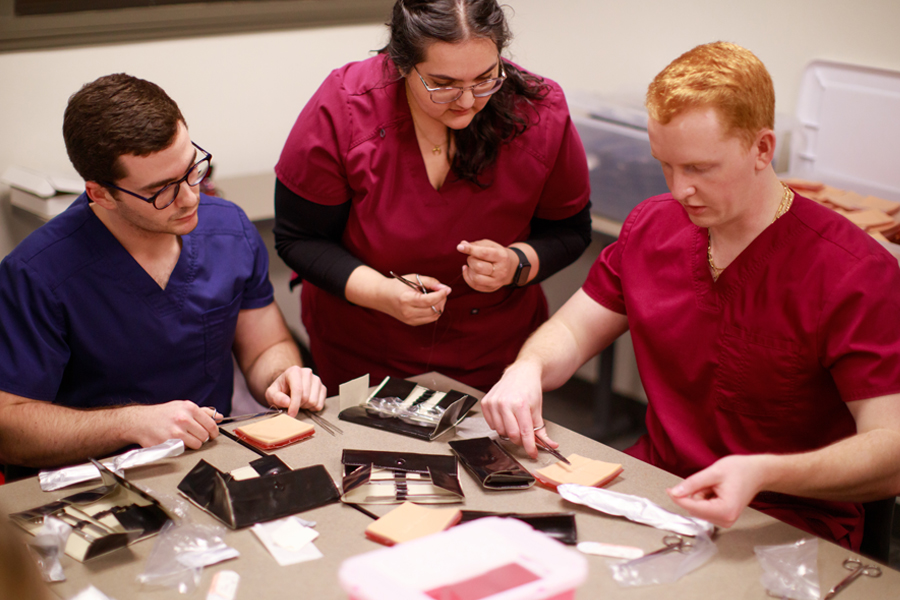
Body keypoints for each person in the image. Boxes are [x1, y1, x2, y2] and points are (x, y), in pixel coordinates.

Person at [481, 42, 900, 551]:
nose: (680, 190)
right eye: (666, 166)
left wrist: (764, 473)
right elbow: (571, 330)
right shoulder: (654, 225)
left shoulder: (852, 273)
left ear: (762, 150)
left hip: (787, 520)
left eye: (700, 168)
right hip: (655, 488)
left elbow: (891, 452)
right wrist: (527, 369)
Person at [0, 74, 325, 476]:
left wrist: (282, 376)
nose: (190, 198)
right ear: (101, 194)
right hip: (92, 484)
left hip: (211, 466)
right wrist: (131, 422)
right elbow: (9, 427)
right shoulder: (37, 275)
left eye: (192, 169)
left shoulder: (228, 230)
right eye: (161, 190)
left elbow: (265, 346)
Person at [274, 0, 591, 392]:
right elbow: (299, 238)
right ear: (403, 64)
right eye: (442, 84)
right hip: (364, 343)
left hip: (491, 347)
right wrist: (382, 293)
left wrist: (516, 263)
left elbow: (571, 229)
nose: (466, 101)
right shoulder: (346, 107)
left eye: (485, 78)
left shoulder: (538, 111)